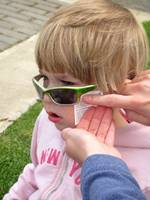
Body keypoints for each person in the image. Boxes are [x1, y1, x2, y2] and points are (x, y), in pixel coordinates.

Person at [3, 0, 150, 199]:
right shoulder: (49, 121)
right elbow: (35, 173)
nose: (47, 98)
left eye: (67, 84)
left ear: (119, 86)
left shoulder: (142, 164)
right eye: (44, 79)